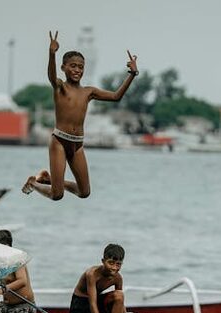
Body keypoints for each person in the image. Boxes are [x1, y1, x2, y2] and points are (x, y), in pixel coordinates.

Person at [22, 31, 138, 201]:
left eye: (81, 67)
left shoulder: (88, 92)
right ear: (64, 68)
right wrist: (52, 54)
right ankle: (35, 183)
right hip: (59, 142)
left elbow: (116, 97)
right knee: (57, 194)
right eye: (73, 66)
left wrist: (132, 74)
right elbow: (52, 77)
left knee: (84, 192)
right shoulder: (60, 87)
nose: (77, 70)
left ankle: (49, 179)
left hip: (77, 145)